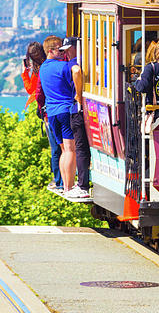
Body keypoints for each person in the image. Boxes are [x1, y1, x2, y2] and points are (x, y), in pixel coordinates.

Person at [38, 35, 87, 199]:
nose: (62, 52)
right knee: (71, 150)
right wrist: (78, 94)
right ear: (51, 51)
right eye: (59, 49)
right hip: (66, 110)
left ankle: (64, 185)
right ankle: (70, 186)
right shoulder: (63, 66)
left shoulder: (43, 68)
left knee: (63, 150)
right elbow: (76, 70)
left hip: (51, 113)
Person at [22, 42, 61, 192]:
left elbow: (32, 90)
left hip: (48, 113)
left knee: (55, 148)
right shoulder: (54, 64)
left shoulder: (39, 71)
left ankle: (59, 179)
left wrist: (25, 73)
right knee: (66, 146)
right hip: (62, 108)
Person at [59, 36, 91, 198]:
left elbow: (77, 71)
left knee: (80, 148)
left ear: (75, 48)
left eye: (68, 50)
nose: (67, 54)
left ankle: (82, 185)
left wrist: (79, 95)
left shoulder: (74, 62)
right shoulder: (89, 59)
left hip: (76, 109)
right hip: (86, 108)